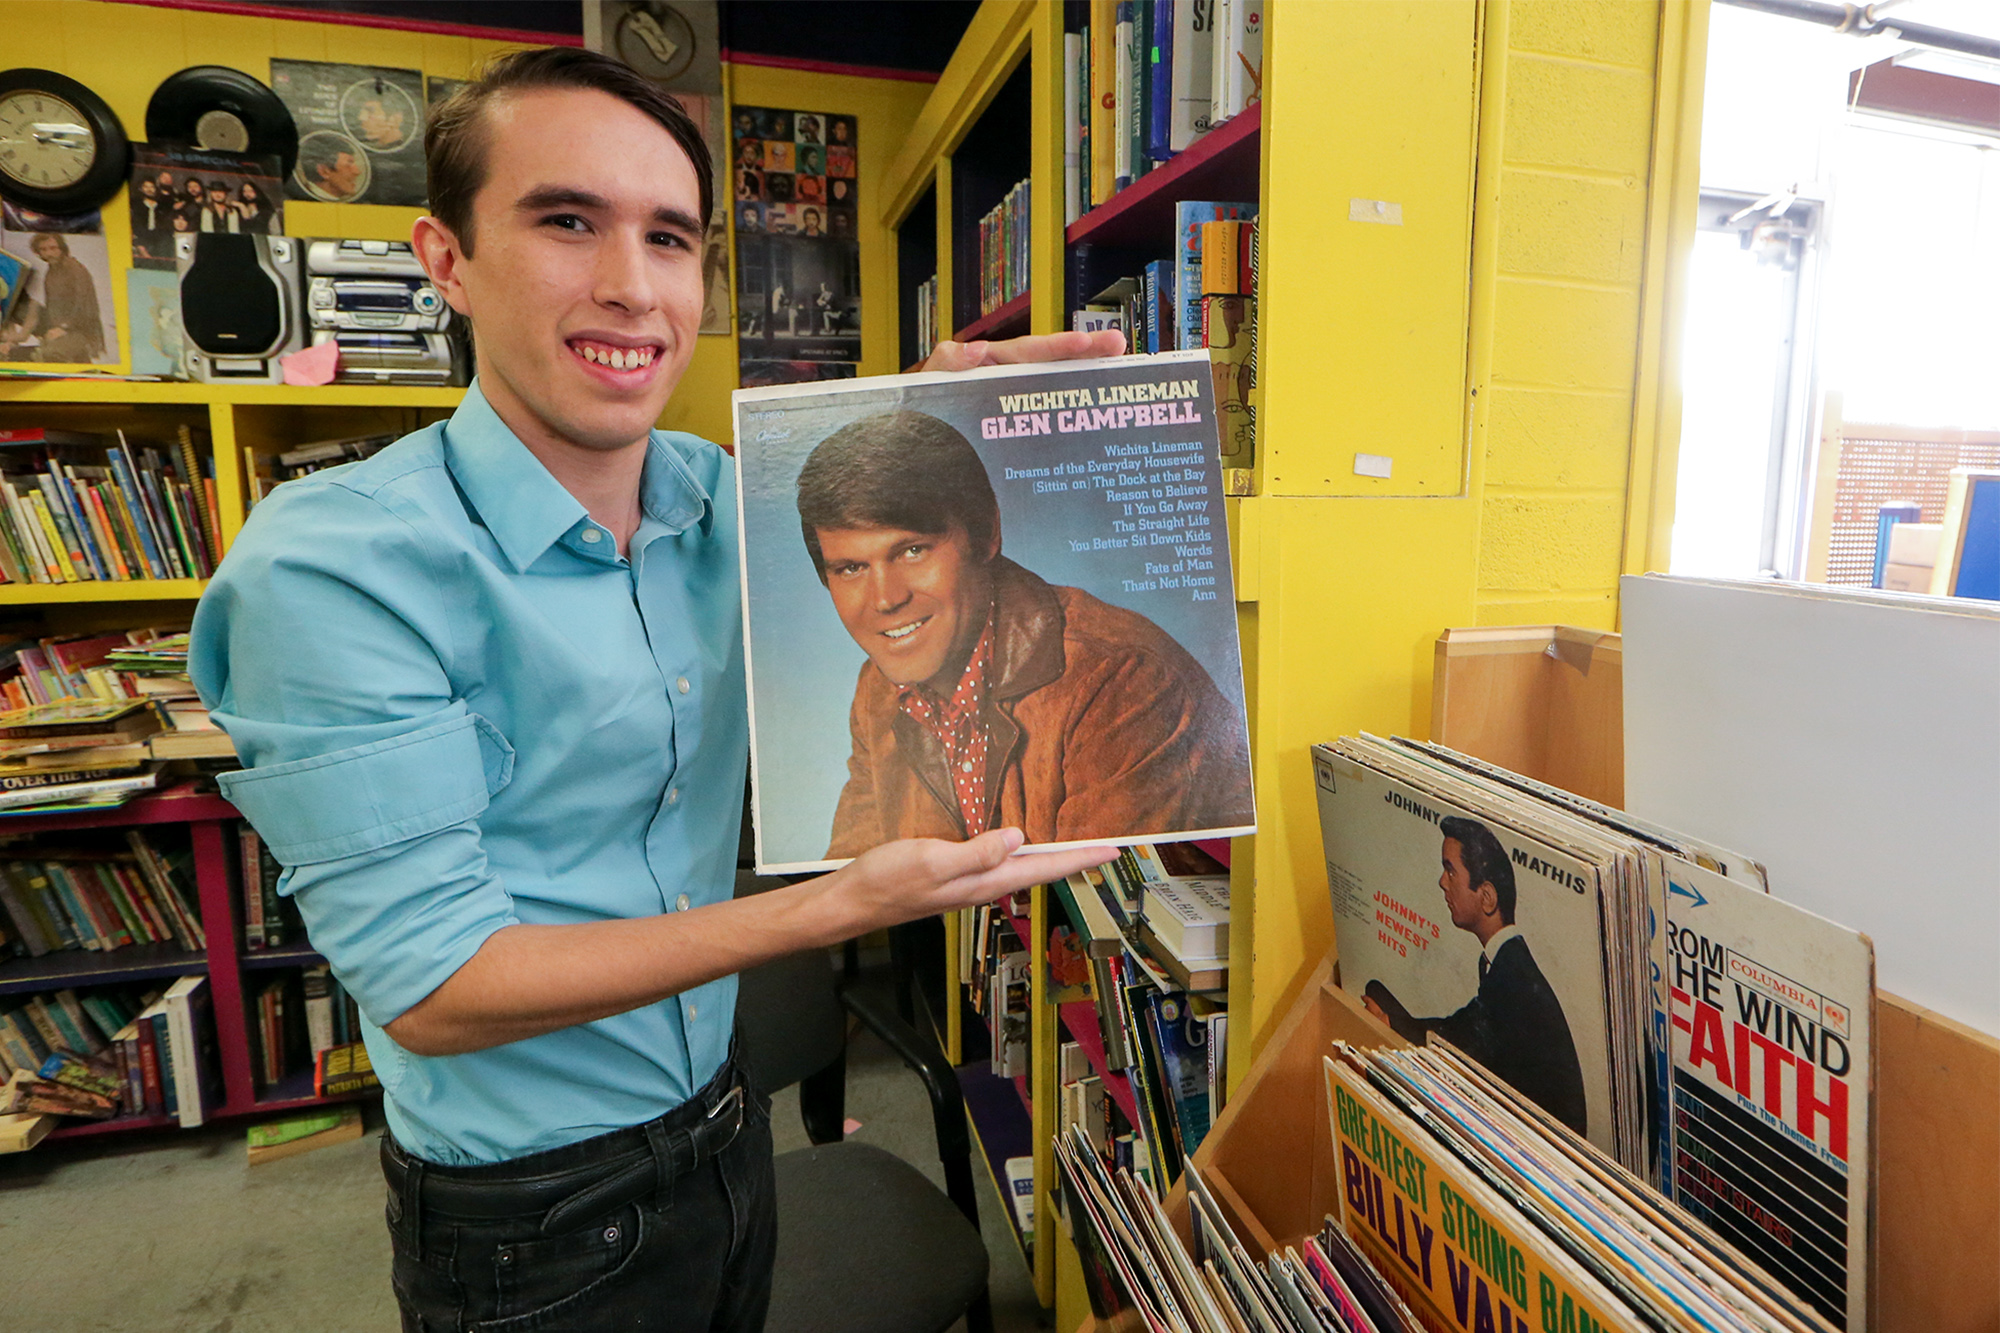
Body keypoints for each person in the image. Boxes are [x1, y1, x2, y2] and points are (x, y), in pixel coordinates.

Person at [189, 47, 1121, 1333]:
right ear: (445, 258)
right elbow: (435, 987)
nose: (630, 288)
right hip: (536, 1210)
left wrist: (934, 413)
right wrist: (829, 911)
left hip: (723, 1130)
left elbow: (893, 554)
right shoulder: (334, 567)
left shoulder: (712, 496)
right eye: (566, 220)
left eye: (670, 238)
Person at [795, 410, 1253, 858]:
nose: (884, 600)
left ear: (987, 534)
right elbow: (852, 872)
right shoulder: (878, 689)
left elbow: (1088, 903)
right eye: (851, 568)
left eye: (913, 551)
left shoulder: (1121, 681)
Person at [1362, 816, 1589, 1135]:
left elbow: (1464, 1033)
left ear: (1487, 898)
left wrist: (1389, 1024)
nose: (1443, 881)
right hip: (1516, 1122)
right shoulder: (1507, 960)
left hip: (1539, 1149)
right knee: (1378, 992)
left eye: (1451, 870)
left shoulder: (1514, 972)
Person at [23, 233, 104, 363]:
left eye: (53, 248)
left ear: (62, 248)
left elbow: (85, 305)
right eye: (43, 249)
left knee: (50, 355)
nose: (49, 253)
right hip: (61, 329)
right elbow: (53, 308)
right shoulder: (51, 271)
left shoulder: (74, 268)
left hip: (81, 330)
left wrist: (64, 328)